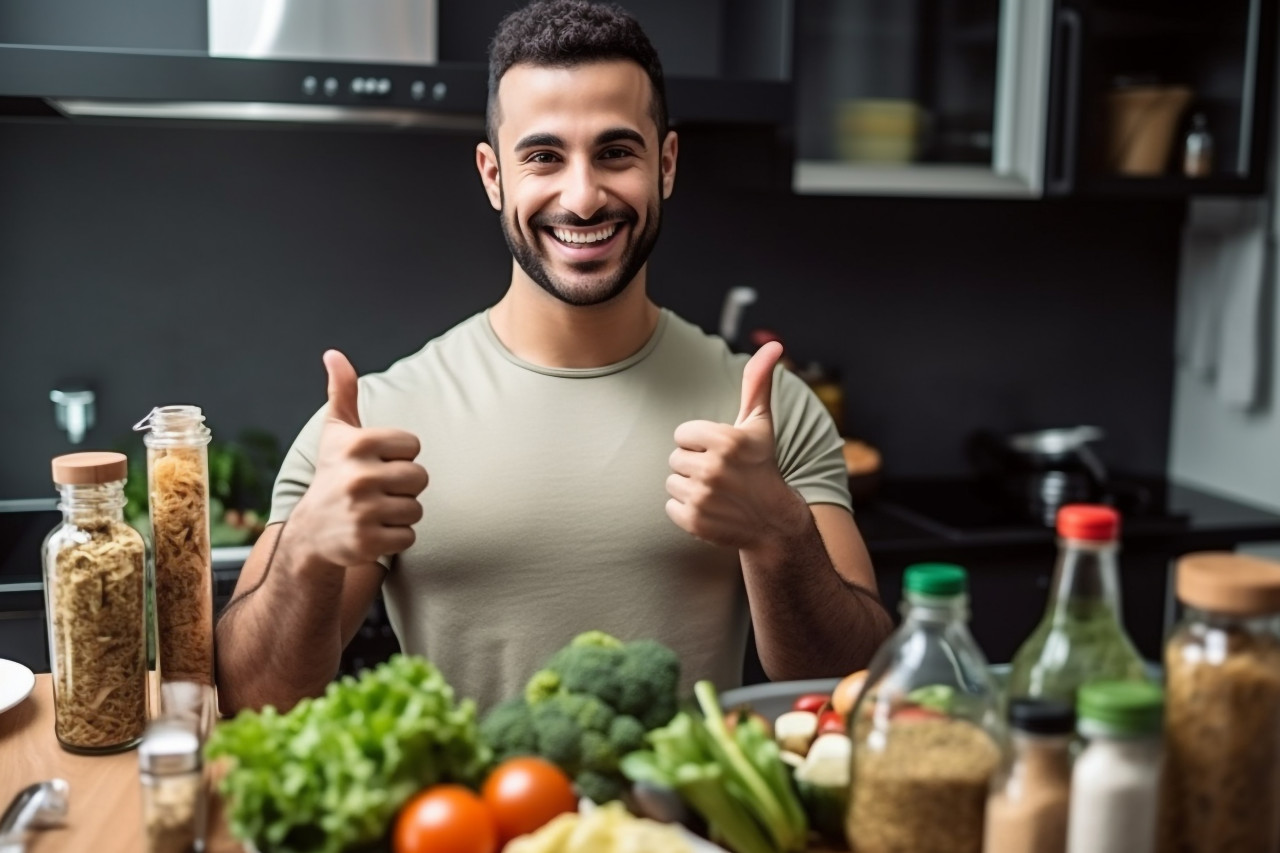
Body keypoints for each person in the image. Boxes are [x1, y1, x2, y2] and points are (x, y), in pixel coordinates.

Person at [214, 0, 893, 714]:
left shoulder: (766, 412)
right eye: (543, 156)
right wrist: (307, 553)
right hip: (460, 829)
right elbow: (250, 697)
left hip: (681, 829)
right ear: (492, 175)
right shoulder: (374, 421)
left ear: (665, 163)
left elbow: (857, 695)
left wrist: (781, 533)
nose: (582, 196)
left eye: (615, 152)